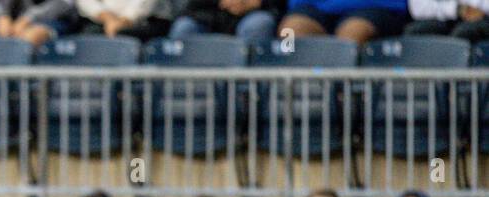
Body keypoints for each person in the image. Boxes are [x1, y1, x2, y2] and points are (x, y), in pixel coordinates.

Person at [278, 0, 409, 44]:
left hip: (375, 6)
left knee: (353, 32)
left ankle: (342, 100)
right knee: (289, 31)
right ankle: (297, 99)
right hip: (314, 6)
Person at [168, 0, 283, 42]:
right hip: (209, 15)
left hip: (256, 13)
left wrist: (258, 2)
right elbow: (191, 6)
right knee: (183, 28)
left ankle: (246, 92)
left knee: (258, 24)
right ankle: (184, 93)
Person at [0, 0, 78, 44]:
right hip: (5, 18)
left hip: (53, 19)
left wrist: (27, 18)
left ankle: (29, 87)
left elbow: (64, 3)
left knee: (29, 37)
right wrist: (0, 16)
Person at [75, 0, 169, 39]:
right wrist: (108, 18)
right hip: (103, 23)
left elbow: (144, 4)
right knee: (89, 36)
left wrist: (124, 20)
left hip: (147, 22)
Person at [405, 0, 489, 41]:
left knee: (464, 32)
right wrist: (457, 9)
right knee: (415, 30)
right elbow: (419, 9)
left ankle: (455, 75)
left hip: (483, 16)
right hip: (449, 16)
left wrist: (478, 11)